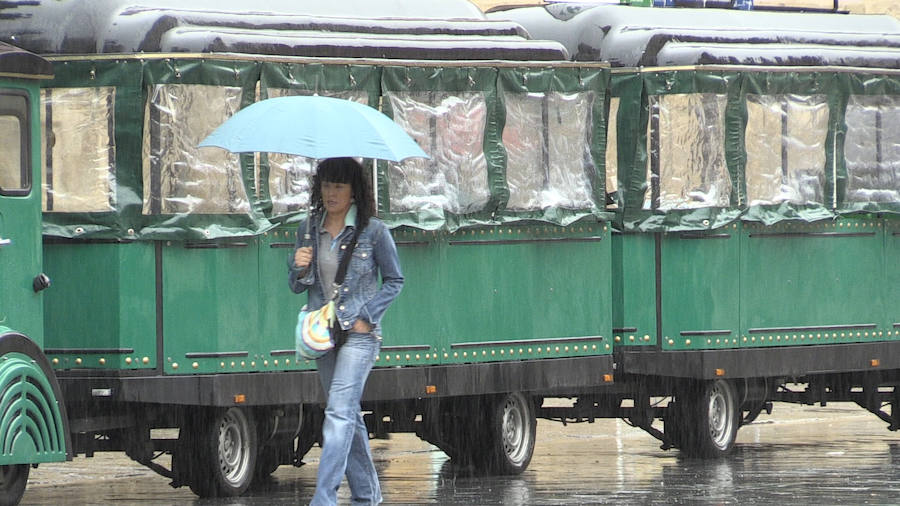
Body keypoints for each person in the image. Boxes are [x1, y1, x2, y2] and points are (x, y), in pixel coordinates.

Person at [288, 157, 403, 506]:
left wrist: (368, 316)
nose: (331, 192)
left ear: (354, 191)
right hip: (323, 334)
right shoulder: (308, 229)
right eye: (326, 185)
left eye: (339, 186)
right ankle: (367, 497)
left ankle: (324, 498)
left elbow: (395, 280)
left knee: (338, 412)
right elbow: (297, 285)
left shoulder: (374, 231)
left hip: (359, 334)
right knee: (347, 414)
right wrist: (298, 267)